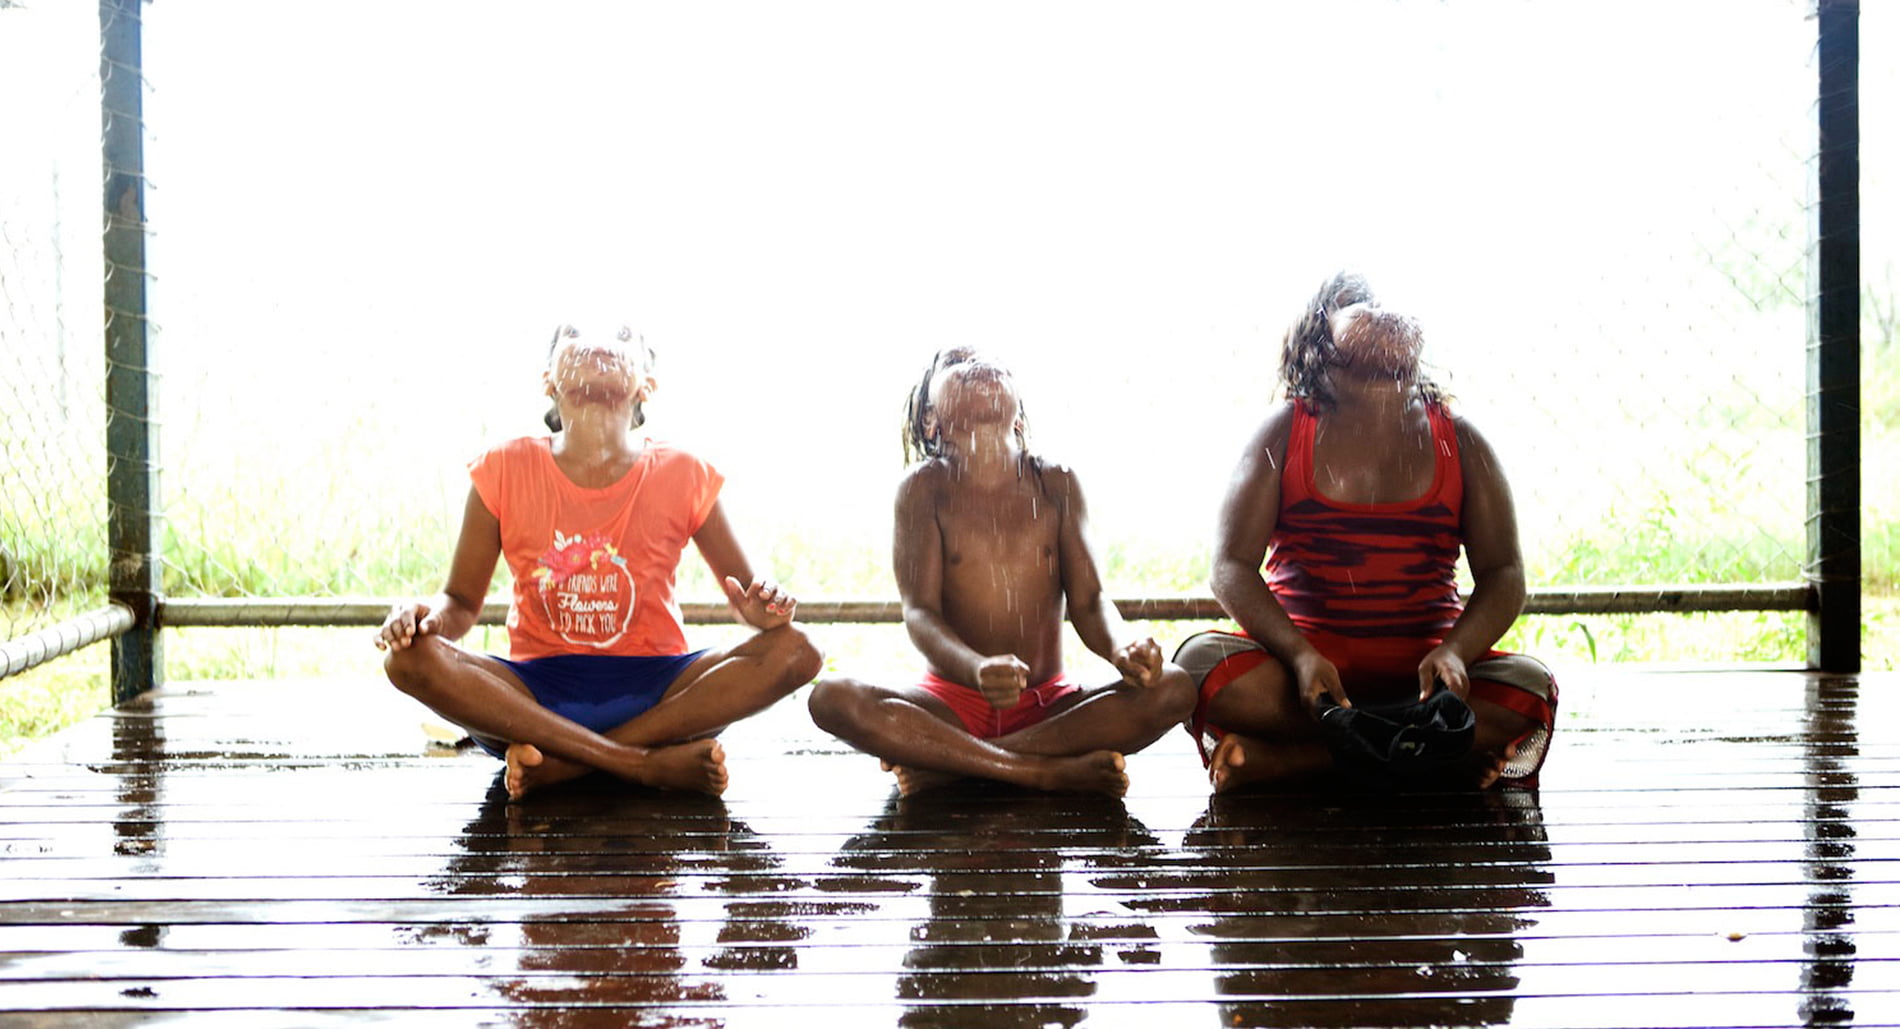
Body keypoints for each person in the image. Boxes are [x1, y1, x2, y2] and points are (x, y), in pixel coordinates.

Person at [376, 323, 822, 799]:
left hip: (662, 690)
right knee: (407, 661)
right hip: (533, 695)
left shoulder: (685, 472)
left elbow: (749, 597)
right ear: (549, 379)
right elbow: (461, 601)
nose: (598, 340)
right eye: (575, 332)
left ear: (646, 383)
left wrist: (762, 612)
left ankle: (565, 766)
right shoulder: (503, 468)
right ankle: (639, 763)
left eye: (622, 335)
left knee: (798, 650)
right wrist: (426, 621)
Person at [1178, 272, 1557, 793]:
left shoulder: (1459, 439)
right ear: (1318, 342)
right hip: (1305, 687)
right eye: (1354, 304)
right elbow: (1229, 568)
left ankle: (1296, 763)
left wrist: (1455, 652)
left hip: (1428, 685)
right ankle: (1430, 756)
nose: (1375, 310)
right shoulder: (1285, 431)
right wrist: (1301, 655)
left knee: (1530, 688)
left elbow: (1504, 574)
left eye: (1379, 303)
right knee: (1197, 666)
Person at [807, 347, 1196, 797]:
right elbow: (920, 614)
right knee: (832, 697)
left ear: (1017, 419)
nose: (976, 365)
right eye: (957, 365)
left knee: (1174, 687)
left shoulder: (1055, 482)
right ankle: (1039, 772)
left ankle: (955, 763)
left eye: (987, 361)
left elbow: (1090, 602)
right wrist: (976, 669)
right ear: (932, 422)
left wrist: (1121, 646)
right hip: (952, 704)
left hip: (1051, 705)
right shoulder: (923, 489)